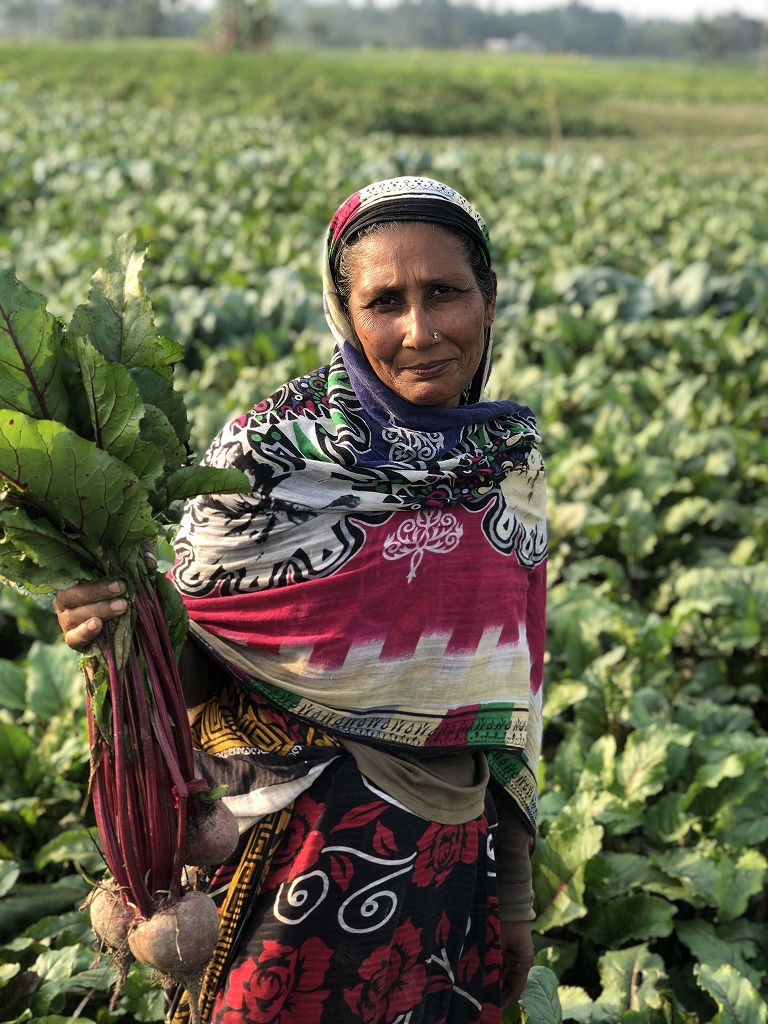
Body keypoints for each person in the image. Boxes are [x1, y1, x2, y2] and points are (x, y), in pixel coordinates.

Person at [55, 176, 548, 1024]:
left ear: (490, 297)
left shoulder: (507, 458)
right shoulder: (270, 453)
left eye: (446, 294)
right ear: (342, 312)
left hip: (445, 872)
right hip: (284, 871)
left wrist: (514, 900)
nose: (419, 331)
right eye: (384, 300)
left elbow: (503, 700)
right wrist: (120, 624)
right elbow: (194, 661)